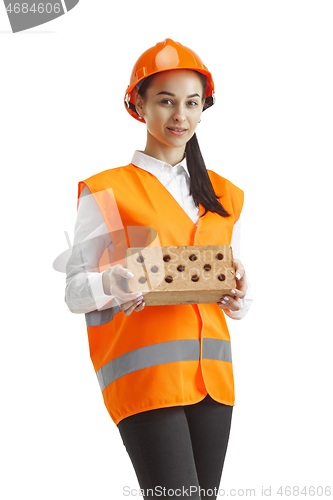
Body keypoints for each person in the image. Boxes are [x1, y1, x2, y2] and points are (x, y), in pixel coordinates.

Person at [65, 38, 253, 500]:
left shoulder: (226, 196)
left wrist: (241, 295)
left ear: (204, 107)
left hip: (214, 379)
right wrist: (112, 281)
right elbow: (73, 292)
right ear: (139, 105)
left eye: (192, 103)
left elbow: (236, 297)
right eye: (165, 101)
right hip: (147, 379)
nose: (180, 116)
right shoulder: (108, 189)